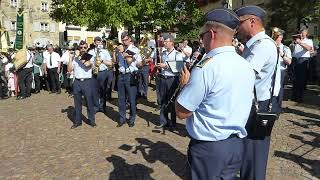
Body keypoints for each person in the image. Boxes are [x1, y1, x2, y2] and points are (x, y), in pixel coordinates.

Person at [175, 8, 255, 180]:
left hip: (209, 149)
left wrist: (184, 86)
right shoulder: (245, 64)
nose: (201, 40)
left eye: (202, 35)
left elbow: (182, 112)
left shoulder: (207, 67)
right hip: (236, 146)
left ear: (211, 34)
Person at [234, 5, 281, 180]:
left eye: (239, 23)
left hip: (258, 105)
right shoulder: (255, 45)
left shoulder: (262, 46)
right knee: (248, 154)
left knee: (254, 157)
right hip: (254, 103)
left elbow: (243, 77)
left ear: (252, 22)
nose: (236, 28)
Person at [155, 34, 183, 130]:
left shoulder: (177, 54)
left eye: (166, 41)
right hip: (163, 78)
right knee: (163, 100)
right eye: (164, 41)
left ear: (172, 42)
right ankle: (164, 121)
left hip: (172, 79)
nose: (165, 43)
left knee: (172, 101)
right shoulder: (162, 53)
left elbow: (179, 68)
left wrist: (165, 66)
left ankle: (173, 123)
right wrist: (158, 67)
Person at [68, 41, 96, 129]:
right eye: (81, 47)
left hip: (87, 82)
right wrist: (70, 58)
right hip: (77, 81)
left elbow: (87, 65)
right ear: (79, 48)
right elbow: (69, 70)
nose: (82, 49)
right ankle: (78, 121)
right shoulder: (75, 58)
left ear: (87, 48)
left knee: (89, 102)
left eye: (84, 47)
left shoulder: (89, 56)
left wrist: (78, 57)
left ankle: (91, 120)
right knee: (77, 103)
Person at [118, 32, 141, 127]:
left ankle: (132, 119)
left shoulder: (134, 49)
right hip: (121, 75)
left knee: (131, 99)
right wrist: (116, 52)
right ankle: (122, 119)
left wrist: (123, 52)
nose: (124, 42)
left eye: (125, 40)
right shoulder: (121, 49)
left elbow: (129, 60)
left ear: (130, 40)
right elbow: (116, 61)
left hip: (130, 75)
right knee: (121, 99)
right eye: (122, 40)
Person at [88, 36, 113, 113]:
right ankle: (96, 106)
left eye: (99, 41)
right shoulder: (91, 52)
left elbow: (110, 63)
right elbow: (88, 62)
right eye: (97, 41)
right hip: (94, 72)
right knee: (95, 90)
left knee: (103, 90)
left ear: (101, 43)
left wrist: (102, 61)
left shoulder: (105, 52)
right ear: (94, 43)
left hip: (103, 72)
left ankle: (102, 106)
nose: (98, 43)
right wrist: (93, 64)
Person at [291, 26, 314, 103]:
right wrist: (293, 44)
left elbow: (308, 48)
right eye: (300, 32)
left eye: (302, 32)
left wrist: (300, 42)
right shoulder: (295, 40)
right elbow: (292, 50)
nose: (301, 33)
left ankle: (299, 97)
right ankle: (294, 96)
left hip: (303, 60)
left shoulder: (308, 40)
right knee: (294, 79)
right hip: (294, 59)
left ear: (306, 33)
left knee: (301, 79)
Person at [272, 28, 292, 108]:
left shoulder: (286, 48)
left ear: (281, 37)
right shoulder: (270, 47)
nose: (276, 38)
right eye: (274, 36)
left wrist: (282, 54)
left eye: (278, 36)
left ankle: (277, 109)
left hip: (281, 71)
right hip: (271, 70)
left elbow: (289, 62)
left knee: (279, 90)